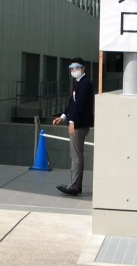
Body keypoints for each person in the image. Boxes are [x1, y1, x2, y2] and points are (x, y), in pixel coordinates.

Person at [52, 58, 94, 196]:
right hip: (77, 121)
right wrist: (63, 116)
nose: (73, 71)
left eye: (76, 68)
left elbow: (79, 104)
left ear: (83, 69)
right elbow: (72, 102)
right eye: (71, 68)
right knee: (75, 155)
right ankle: (76, 185)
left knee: (76, 156)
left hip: (80, 123)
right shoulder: (78, 83)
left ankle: (75, 186)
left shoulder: (85, 83)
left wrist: (72, 122)